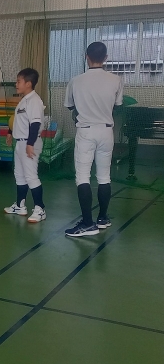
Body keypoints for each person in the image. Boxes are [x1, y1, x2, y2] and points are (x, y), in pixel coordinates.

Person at [64, 42, 123, 237]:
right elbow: (117, 105)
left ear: (86, 56)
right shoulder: (116, 80)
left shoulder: (76, 81)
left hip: (86, 132)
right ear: (105, 58)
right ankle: (103, 218)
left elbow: (70, 106)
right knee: (104, 176)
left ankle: (88, 223)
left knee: (83, 177)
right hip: (107, 132)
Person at [4, 68, 46, 223]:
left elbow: (35, 124)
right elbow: (18, 120)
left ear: (28, 84)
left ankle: (40, 209)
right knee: (20, 175)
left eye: (18, 81)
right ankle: (20, 206)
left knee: (31, 176)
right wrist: (10, 132)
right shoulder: (24, 100)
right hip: (20, 143)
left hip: (29, 143)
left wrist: (30, 144)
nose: (16, 84)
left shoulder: (34, 100)